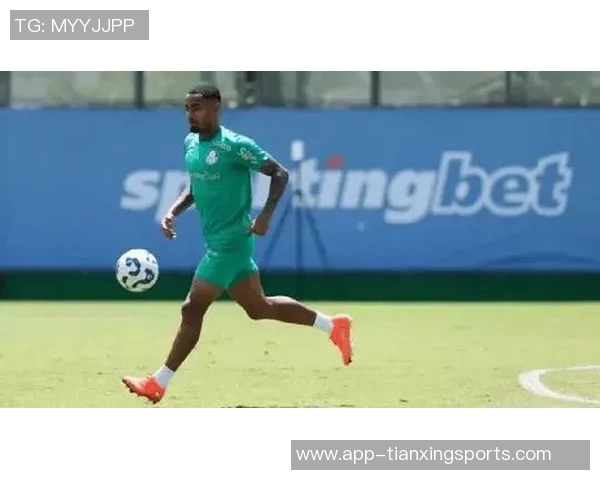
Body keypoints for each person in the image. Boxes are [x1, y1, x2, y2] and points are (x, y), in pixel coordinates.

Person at [122, 84, 353, 404]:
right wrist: (173, 211)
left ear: (216, 107)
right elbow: (196, 186)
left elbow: (280, 174)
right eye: (187, 108)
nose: (190, 114)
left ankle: (158, 382)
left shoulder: (234, 145)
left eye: (197, 108)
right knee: (259, 308)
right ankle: (333, 326)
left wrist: (266, 215)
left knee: (192, 308)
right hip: (219, 243)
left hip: (230, 244)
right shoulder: (190, 143)